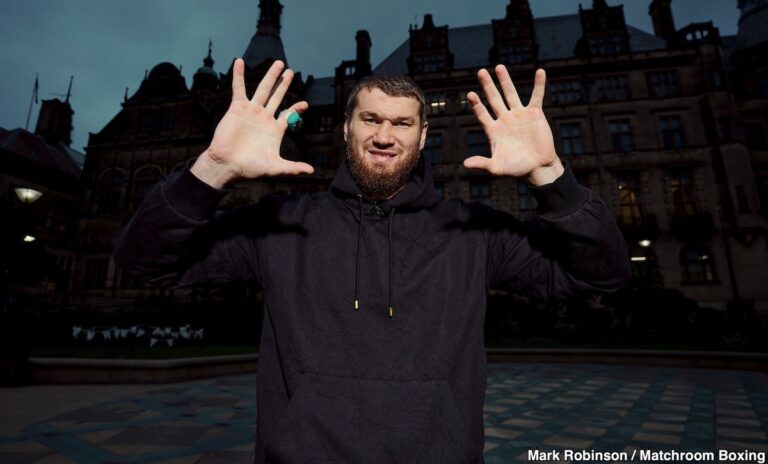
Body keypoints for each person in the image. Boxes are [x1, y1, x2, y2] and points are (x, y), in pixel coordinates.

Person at [114, 58, 631, 463]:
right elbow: (144, 262)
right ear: (346, 129)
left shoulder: (474, 232)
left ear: (423, 137)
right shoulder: (281, 225)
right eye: (371, 119)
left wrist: (550, 175)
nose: (385, 135)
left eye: (403, 123)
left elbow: (603, 276)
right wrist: (212, 169)